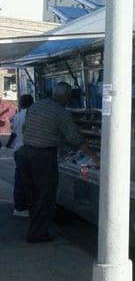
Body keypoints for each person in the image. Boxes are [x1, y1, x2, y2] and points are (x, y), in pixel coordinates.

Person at [21, 82, 99, 243]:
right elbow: (75, 138)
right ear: (65, 96)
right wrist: (95, 157)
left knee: (33, 194)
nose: (69, 100)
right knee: (46, 195)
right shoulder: (61, 112)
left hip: (26, 152)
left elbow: (24, 129)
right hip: (43, 157)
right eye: (69, 97)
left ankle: (34, 228)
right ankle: (37, 234)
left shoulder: (36, 105)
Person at [6, 94, 34, 217]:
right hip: (29, 150)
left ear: (21, 103)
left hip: (18, 151)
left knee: (20, 179)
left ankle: (20, 206)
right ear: (32, 103)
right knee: (27, 180)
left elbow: (13, 134)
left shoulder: (16, 117)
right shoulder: (33, 115)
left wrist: (7, 145)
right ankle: (22, 208)